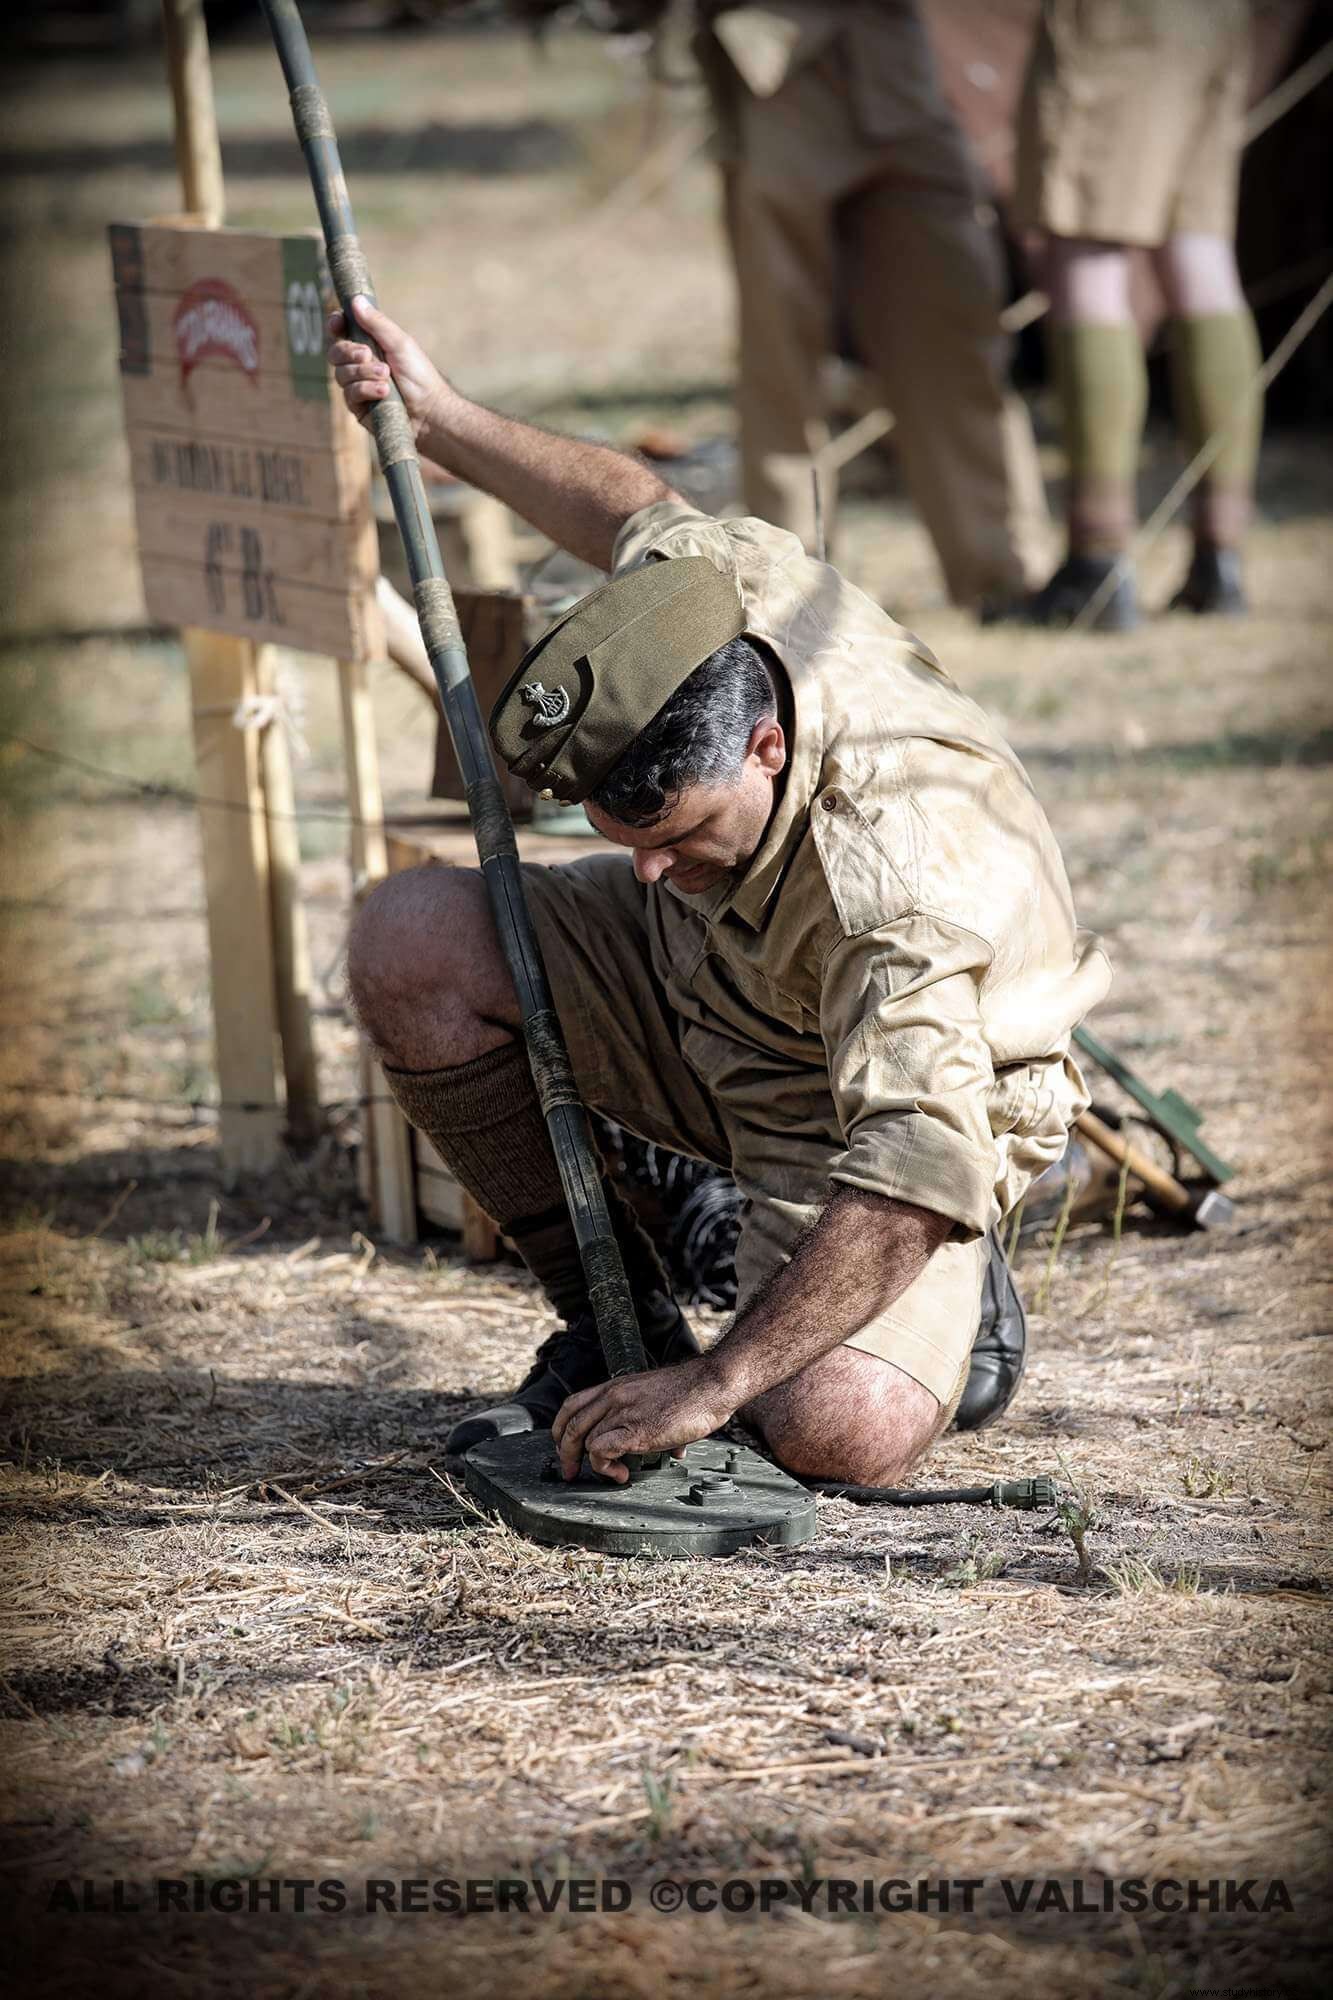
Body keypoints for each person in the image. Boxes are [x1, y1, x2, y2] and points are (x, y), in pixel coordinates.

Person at [327, 297, 1111, 1489]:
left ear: (767, 750)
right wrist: (436, 418)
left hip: (875, 1102)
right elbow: (633, 509)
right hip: (720, 996)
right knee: (410, 937)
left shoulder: (904, 880)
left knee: (830, 1427)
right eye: (620, 837)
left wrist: (717, 1384)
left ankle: (952, 1287)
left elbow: (913, 1155)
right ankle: (614, 1320)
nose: (645, 870)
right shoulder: (711, 600)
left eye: (676, 836)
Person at [693, 0, 1048, 615]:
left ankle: (1002, 570)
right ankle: (786, 591)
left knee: (956, 331)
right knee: (781, 349)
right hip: (774, 65)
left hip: (897, 64)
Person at [1013, 0, 1263, 628]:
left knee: (1089, 249)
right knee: (1200, 256)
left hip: (1121, 21)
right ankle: (1220, 559)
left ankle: (1097, 565)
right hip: (1215, 20)